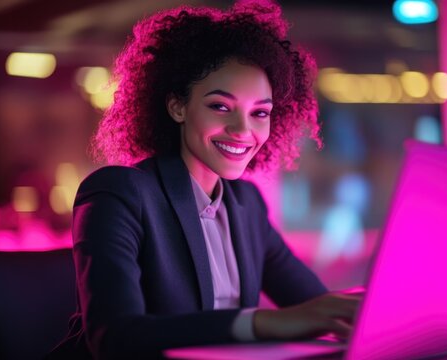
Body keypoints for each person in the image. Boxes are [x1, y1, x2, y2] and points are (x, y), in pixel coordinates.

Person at [48, 1, 359, 359]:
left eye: (260, 113)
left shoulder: (246, 205)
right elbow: (114, 338)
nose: (244, 130)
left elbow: (315, 307)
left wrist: (371, 309)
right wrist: (261, 322)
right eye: (221, 107)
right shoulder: (118, 193)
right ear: (177, 107)